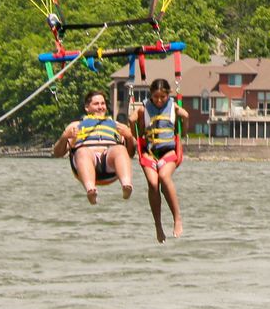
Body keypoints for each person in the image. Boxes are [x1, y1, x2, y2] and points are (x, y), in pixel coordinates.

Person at [52, 90, 135, 204]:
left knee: (120, 149)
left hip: (109, 163)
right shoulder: (76, 126)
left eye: (103, 104)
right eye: (96, 104)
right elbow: (57, 153)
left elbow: (130, 153)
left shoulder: (118, 126)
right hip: (86, 159)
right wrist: (65, 137)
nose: (101, 107)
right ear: (87, 107)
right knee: (83, 151)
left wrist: (129, 137)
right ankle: (91, 190)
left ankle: (126, 185)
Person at [131, 78, 186, 241]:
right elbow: (138, 133)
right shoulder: (144, 109)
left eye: (163, 97)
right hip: (149, 152)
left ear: (168, 95)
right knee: (153, 183)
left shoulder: (173, 107)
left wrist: (185, 116)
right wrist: (133, 119)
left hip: (169, 151)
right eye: (155, 97)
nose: (159, 100)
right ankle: (158, 226)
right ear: (151, 95)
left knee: (163, 177)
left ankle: (177, 218)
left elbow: (184, 130)